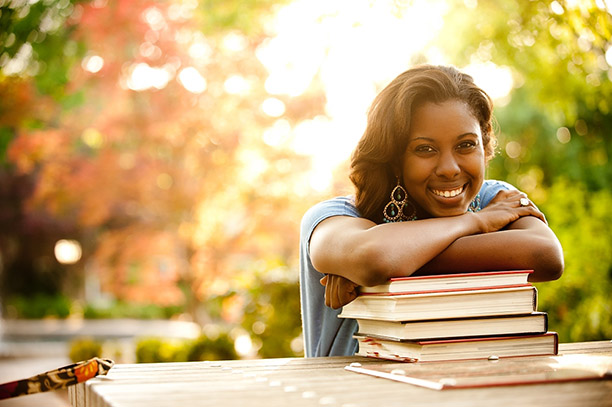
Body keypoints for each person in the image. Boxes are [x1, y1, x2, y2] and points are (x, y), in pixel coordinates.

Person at [298, 65, 564, 357]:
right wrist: (474, 223)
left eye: (466, 145)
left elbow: (545, 255)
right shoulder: (333, 218)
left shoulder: (495, 197)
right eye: (425, 149)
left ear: (484, 144)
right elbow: (374, 256)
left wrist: (387, 267)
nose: (450, 168)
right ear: (394, 158)